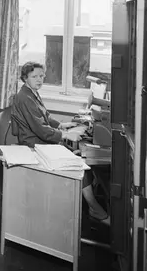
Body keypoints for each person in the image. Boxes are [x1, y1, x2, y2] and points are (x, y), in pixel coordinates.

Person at [11, 61, 110, 225]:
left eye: (41, 76)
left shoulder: (32, 93)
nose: (39, 79)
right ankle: (95, 209)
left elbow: (45, 116)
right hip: (34, 143)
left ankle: (84, 201)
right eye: (34, 76)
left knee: (78, 156)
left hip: (40, 139)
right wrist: (65, 135)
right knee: (78, 164)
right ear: (25, 78)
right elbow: (41, 130)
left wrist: (61, 125)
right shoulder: (25, 97)